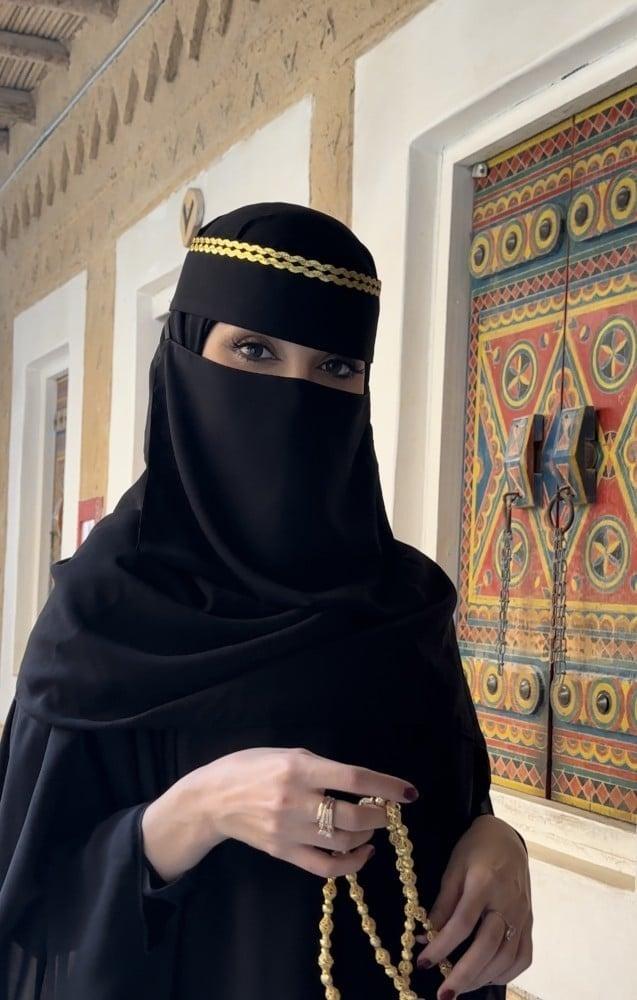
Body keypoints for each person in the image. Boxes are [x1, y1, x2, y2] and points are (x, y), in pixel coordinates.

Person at [0, 202, 532, 1000]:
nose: (295, 394)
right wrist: (197, 811)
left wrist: (499, 842)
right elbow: (30, 908)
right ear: (185, 357)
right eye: (253, 350)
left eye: (335, 368)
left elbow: (453, 803)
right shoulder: (101, 616)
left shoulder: (404, 604)